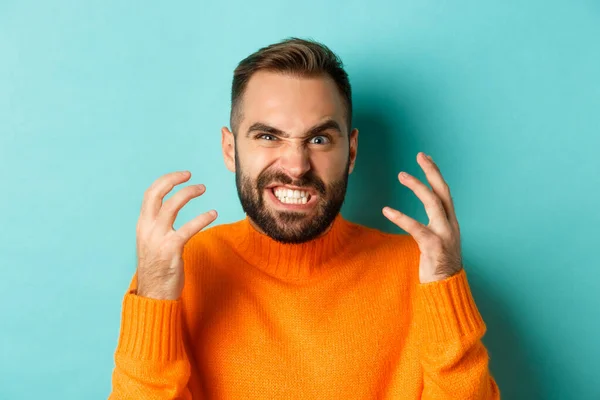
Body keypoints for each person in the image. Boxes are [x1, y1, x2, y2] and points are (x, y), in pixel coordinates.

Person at [109, 37, 500, 399]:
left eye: (318, 139)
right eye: (267, 136)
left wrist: (446, 284)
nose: (296, 166)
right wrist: (155, 296)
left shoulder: (420, 272)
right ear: (230, 150)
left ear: (351, 152)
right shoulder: (182, 270)